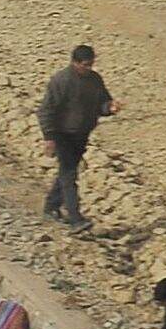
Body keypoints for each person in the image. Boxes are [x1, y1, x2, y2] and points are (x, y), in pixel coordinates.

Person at [38, 44, 115, 228]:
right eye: (85, 65)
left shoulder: (95, 80)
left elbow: (103, 102)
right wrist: (49, 137)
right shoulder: (61, 81)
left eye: (91, 64)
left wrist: (109, 108)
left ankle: (51, 207)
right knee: (69, 174)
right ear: (75, 63)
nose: (88, 68)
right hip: (62, 134)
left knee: (67, 172)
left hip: (81, 134)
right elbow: (45, 111)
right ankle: (75, 219)